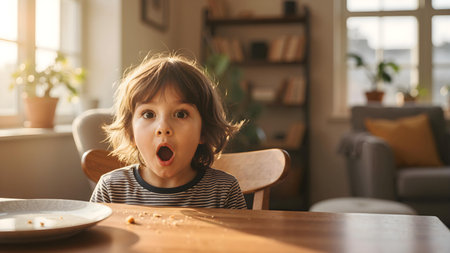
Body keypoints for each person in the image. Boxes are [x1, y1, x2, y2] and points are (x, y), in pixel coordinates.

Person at [90, 53, 247, 209]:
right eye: (148, 114)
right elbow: (94, 234)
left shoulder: (224, 191)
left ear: (204, 131)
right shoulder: (110, 190)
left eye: (180, 114)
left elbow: (244, 235)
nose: (163, 128)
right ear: (130, 132)